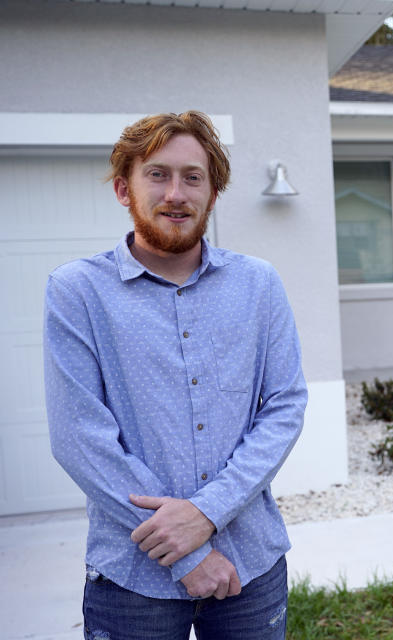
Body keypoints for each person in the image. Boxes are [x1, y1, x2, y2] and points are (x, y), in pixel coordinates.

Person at [43, 111, 307, 638]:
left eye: (193, 177)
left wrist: (205, 514)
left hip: (250, 565)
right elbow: (80, 439)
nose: (177, 193)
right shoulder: (77, 292)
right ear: (124, 188)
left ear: (213, 193)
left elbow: (283, 408)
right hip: (132, 579)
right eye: (158, 174)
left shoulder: (258, 284)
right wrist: (188, 555)